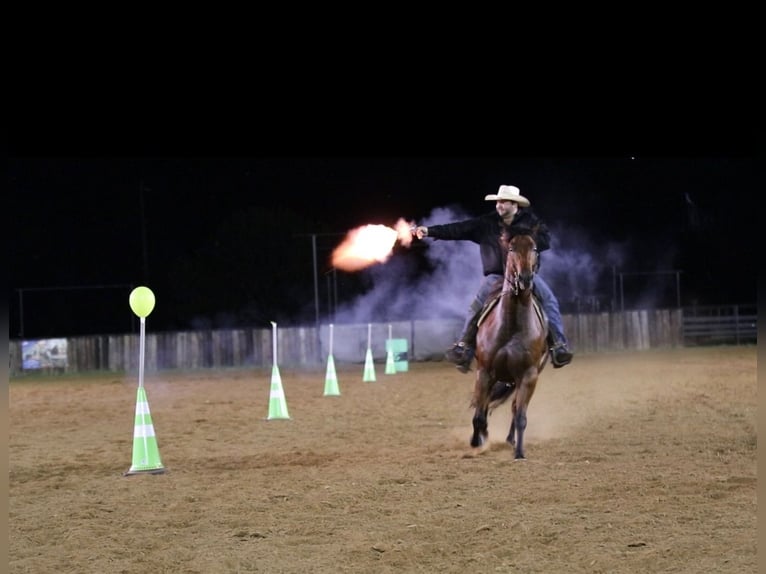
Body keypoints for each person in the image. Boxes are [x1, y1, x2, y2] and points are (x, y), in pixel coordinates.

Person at [413, 184, 573, 372]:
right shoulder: (486, 223)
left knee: (549, 301)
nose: (499, 205)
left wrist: (526, 239)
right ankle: (464, 347)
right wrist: (430, 231)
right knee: (477, 305)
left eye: (503, 201)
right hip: (496, 276)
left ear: (515, 205)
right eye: (498, 201)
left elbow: (546, 240)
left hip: (525, 275)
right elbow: (459, 228)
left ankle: (558, 346)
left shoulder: (530, 223)